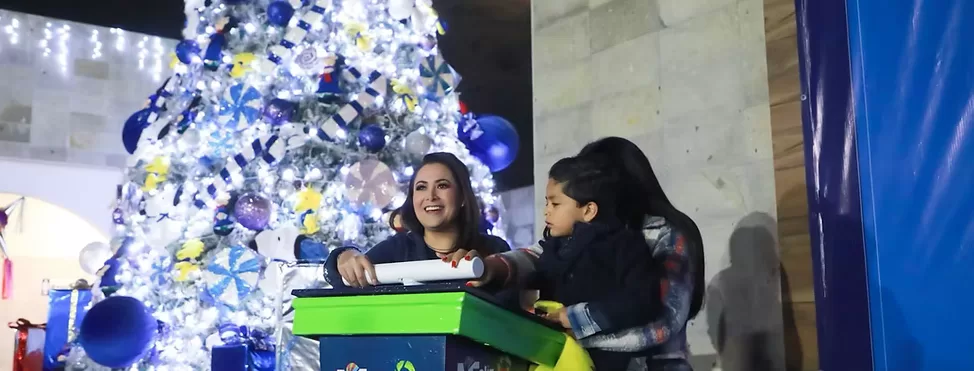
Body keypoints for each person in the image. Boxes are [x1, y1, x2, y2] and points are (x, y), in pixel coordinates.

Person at [476, 137, 705, 371]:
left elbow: (661, 323)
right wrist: (495, 267)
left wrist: (570, 328)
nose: (547, 211)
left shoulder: (659, 235)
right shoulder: (582, 234)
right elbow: (535, 257)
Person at [529, 154, 663, 370]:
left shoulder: (623, 245)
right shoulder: (552, 248)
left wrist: (575, 317)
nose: (546, 210)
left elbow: (642, 300)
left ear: (589, 210)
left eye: (555, 203)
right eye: (546, 202)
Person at [325, 152, 511, 288]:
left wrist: (484, 271)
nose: (431, 196)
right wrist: (345, 257)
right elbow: (339, 277)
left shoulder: (494, 249)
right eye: (421, 188)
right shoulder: (398, 249)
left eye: (442, 186)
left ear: (462, 197)